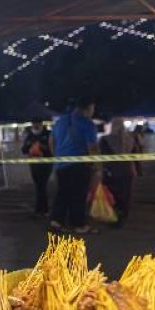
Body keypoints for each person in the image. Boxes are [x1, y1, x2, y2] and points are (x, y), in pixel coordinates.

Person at [50, 97, 100, 235]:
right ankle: (79, 224)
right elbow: (92, 148)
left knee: (62, 193)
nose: (93, 111)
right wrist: (96, 165)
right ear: (87, 108)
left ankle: (56, 221)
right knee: (79, 195)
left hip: (61, 165)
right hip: (79, 165)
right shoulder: (87, 123)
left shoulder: (60, 122)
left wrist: (58, 156)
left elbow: (52, 141)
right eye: (93, 108)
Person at [99, 118, 138, 226]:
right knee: (125, 194)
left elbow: (101, 156)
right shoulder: (130, 139)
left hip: (111, 171)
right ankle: (123, 215)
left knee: (112, 194)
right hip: (126, 170)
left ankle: (113, 216)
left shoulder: (105, 140)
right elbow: (135, 156)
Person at [21, 118, 53, 218]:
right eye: (33, 123)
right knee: (39, 186)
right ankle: (41, 210)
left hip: (46, 164)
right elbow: (24, 150)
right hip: (34, 164)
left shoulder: (48, 134)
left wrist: (42, 147)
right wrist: (29, 145)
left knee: (42, 186)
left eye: (37, 123)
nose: (35, 125)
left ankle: (42, 210)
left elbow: (52, 148)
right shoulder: (30, 135)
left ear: (41, 124)